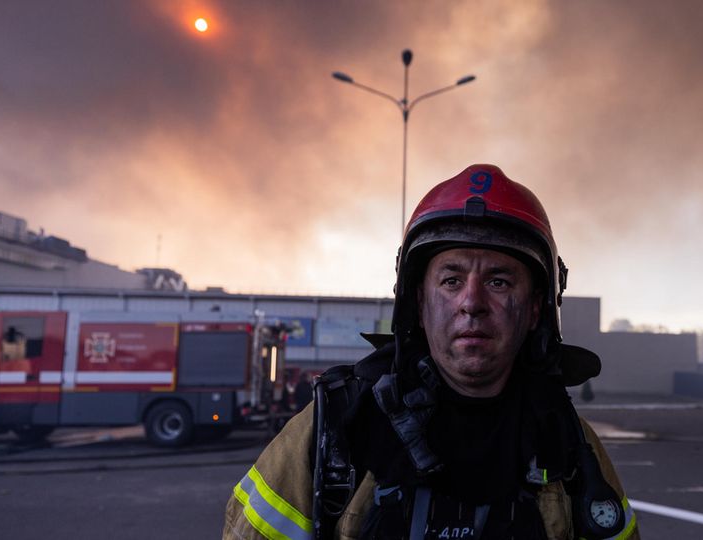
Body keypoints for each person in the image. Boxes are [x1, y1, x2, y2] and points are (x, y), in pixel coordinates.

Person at [223, 164, 639, 540]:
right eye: (451, 280)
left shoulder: (569, 445)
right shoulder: (336, 429)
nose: (471, 303)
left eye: (499, 282)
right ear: (418, 304)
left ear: (535, 309)